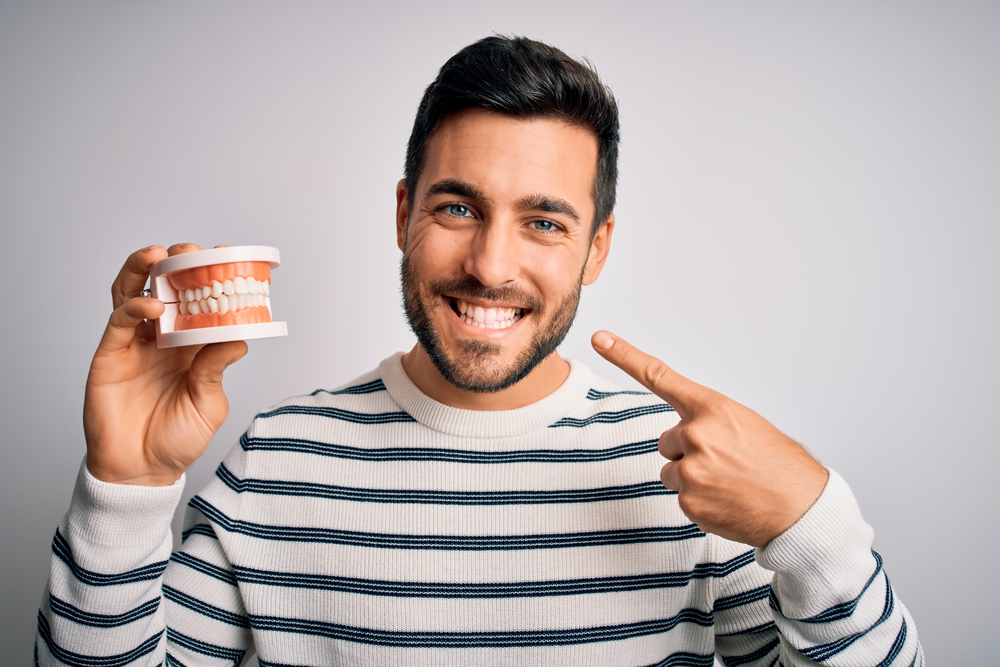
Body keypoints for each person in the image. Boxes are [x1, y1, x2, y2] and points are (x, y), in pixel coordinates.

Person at [36, 36, 923, 666]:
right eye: (458, 208)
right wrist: (127, 487)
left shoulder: (697, 476)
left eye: (544, 221)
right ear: (402, 215)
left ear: (598, 247)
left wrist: (813, 525)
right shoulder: (273, 465)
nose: (491, 265)